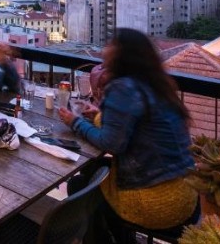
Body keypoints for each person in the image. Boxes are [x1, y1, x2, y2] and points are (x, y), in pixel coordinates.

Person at [59, 28, 198, 240]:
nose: (105, 50)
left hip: (157, 202)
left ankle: (109, 238)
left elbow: (111, 143)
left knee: (79, 186)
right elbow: (137, 127)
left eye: (111, 45)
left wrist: (75, 122)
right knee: (93, 170)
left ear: (122, 55)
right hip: (186, 196)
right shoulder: (156, 84)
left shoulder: (124, 88)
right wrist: (99, 116)